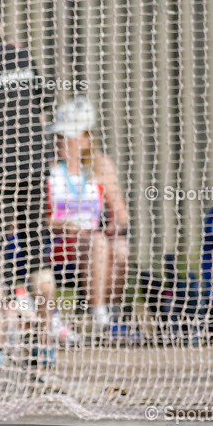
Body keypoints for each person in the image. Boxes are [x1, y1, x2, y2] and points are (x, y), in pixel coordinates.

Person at [0, 0, 65, 343]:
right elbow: (44, 104)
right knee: (36, 244)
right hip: (33, 162)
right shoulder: (22, 55)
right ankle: (45, 337)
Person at [47, 97, 130, 331]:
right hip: (59, 241)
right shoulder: (50, 169)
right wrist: (69, 226)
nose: (61, 143)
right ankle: (99, 316)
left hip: (94, 239)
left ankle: (110, 313)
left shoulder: (99, 166)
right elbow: (39, 218)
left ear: (85, 139)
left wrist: (115, 223)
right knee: (97, 243)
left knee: (120, 248)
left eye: (68, 138)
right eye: (59, 137)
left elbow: (122, 213)